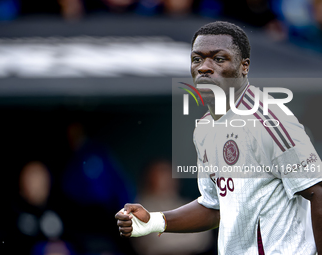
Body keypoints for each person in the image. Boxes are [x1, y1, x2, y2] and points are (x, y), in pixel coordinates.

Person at [115, 21, 322, 254]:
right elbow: (215, 208)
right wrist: (153, 221)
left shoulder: (270, 119)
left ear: (244, 67)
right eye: (197, 59)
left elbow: (318, 191)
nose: (204, 67)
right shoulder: (204, 128)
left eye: (218, 59)